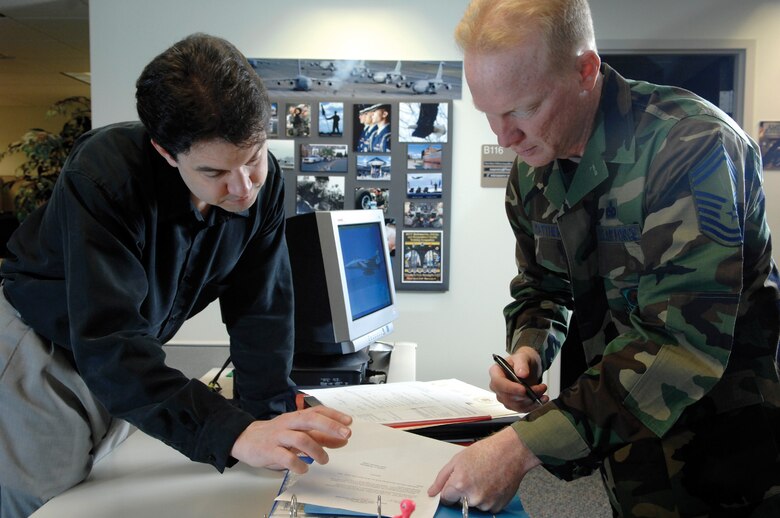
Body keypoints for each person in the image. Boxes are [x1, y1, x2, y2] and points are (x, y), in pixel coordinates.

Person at [428, 1, 780, 516]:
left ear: (585, 70)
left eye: (522, 109)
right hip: (623, 440)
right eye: (489, 113)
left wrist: (521, 446)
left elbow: (680, 345)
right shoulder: (533, 169)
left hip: (727, 454)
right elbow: (543, 286)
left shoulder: (690, 146)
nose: (503, 137)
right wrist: (528, 351)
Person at [0, 33, 352, 518]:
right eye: (215, 173)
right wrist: (234, 433)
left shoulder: (262, 182)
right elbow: (106, 339)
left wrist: (270, 416)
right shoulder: (105, 174)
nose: (244, 188)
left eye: (252, 158)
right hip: (44, 350)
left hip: (131, 353)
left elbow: (263, 309)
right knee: (50, 504)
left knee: (110, 488)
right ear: (166, 152)